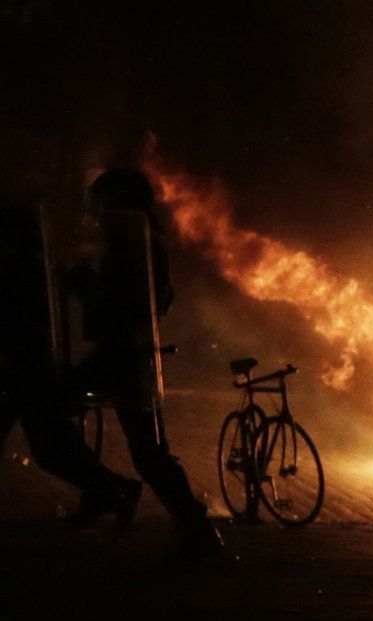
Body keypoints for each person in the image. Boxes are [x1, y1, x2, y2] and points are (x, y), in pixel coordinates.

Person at [65, 169, 222, 557]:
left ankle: (114, 492)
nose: (97, 212)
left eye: (103, 202)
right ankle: (117, 493)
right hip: (125, 356)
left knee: (146, 452)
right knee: (148, 452)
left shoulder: (137, 247)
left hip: (124, 357)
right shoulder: (142, 244)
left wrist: (84, 286)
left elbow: (123, 310)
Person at [0, 205, 139, 523]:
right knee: (53, 445)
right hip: (25, 369)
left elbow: (20, 324)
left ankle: (111, 490)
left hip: (26, 370)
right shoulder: (27, 268)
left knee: (52, 447)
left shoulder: (22, 272)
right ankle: (113, 490)